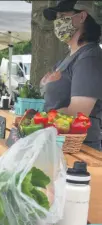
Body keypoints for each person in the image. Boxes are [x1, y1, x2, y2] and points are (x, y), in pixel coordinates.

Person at [41, 0, 102, 150]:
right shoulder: (68, 58)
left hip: (79, 149)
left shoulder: (89, 57)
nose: (57, 22)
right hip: (60, 143)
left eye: (62, 15)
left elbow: (77, 114)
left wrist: (42, 119)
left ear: (81, 17)